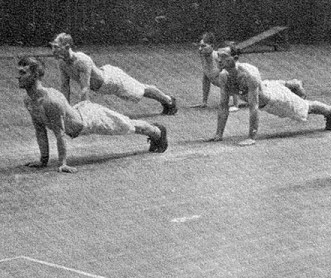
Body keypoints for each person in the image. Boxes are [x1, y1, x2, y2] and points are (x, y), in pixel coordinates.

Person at [17, 56, 168, 174]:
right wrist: (43, 161)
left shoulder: (50, 100)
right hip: (79, 116)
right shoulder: (29, 100)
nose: (18, 76)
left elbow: (59, 134)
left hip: (92, 119)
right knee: (126, 125)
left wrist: (63, 163)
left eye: (23, 73)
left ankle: (158, 132)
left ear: (35, 75)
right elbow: (40, 130)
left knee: (127, 126)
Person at [206, 43, 331, 146]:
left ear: (235, 58)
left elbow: (254, 107)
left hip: (275, 100)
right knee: (274, 87)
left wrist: (251, 137)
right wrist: (219, 134)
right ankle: (291, 84)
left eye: (224, 57)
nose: (219, 60)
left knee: (306, 108)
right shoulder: (224, 76)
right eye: (218, 56)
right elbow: (223, 105)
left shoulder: (249, 75)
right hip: (267, 86)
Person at [50, 32, 178, 115]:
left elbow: (85, 88)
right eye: (53, 47)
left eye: (56, 47)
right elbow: (65, 87)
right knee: (140, 88)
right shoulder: (62, 63)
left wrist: (84, 113)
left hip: (112, 81)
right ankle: (167, 100)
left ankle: (169, 101)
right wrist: (65, 110)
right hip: (104, 84)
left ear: (67, 47)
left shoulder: (82, 60)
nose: (53, 50)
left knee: (141, 90)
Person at [193, 31, 240, 111]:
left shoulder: (219, 58)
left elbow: (235, 76)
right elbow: (206, 79)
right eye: (199, 46)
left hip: (244, 90)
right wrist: (204, 102)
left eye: (203, 46)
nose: (200, 49)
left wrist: (236, 105)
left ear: (212, 46)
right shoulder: (203, 56)